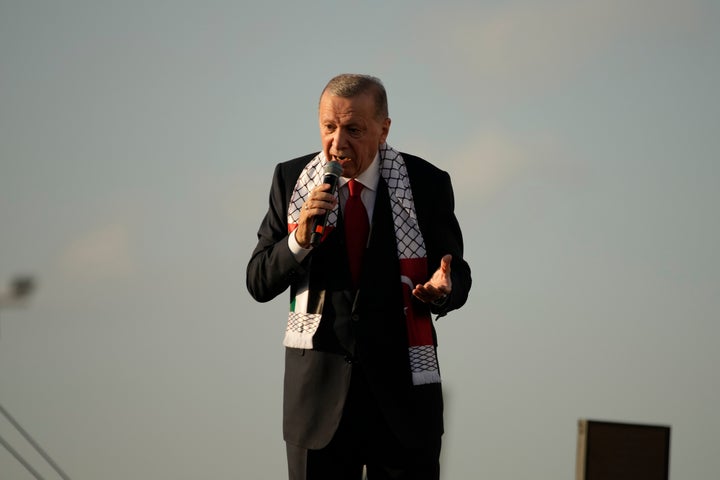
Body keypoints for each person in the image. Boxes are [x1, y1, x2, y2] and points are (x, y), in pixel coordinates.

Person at [246, 74, 471, 480]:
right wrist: (299, 239)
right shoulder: (291, 180)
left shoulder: (427, 184)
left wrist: (444, 290)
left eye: (354, 129)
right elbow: (258, 280)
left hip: (403, 405)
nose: (337, 142)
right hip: (317, 406)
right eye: (328, 128)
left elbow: (457, 272)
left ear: (384, 129)